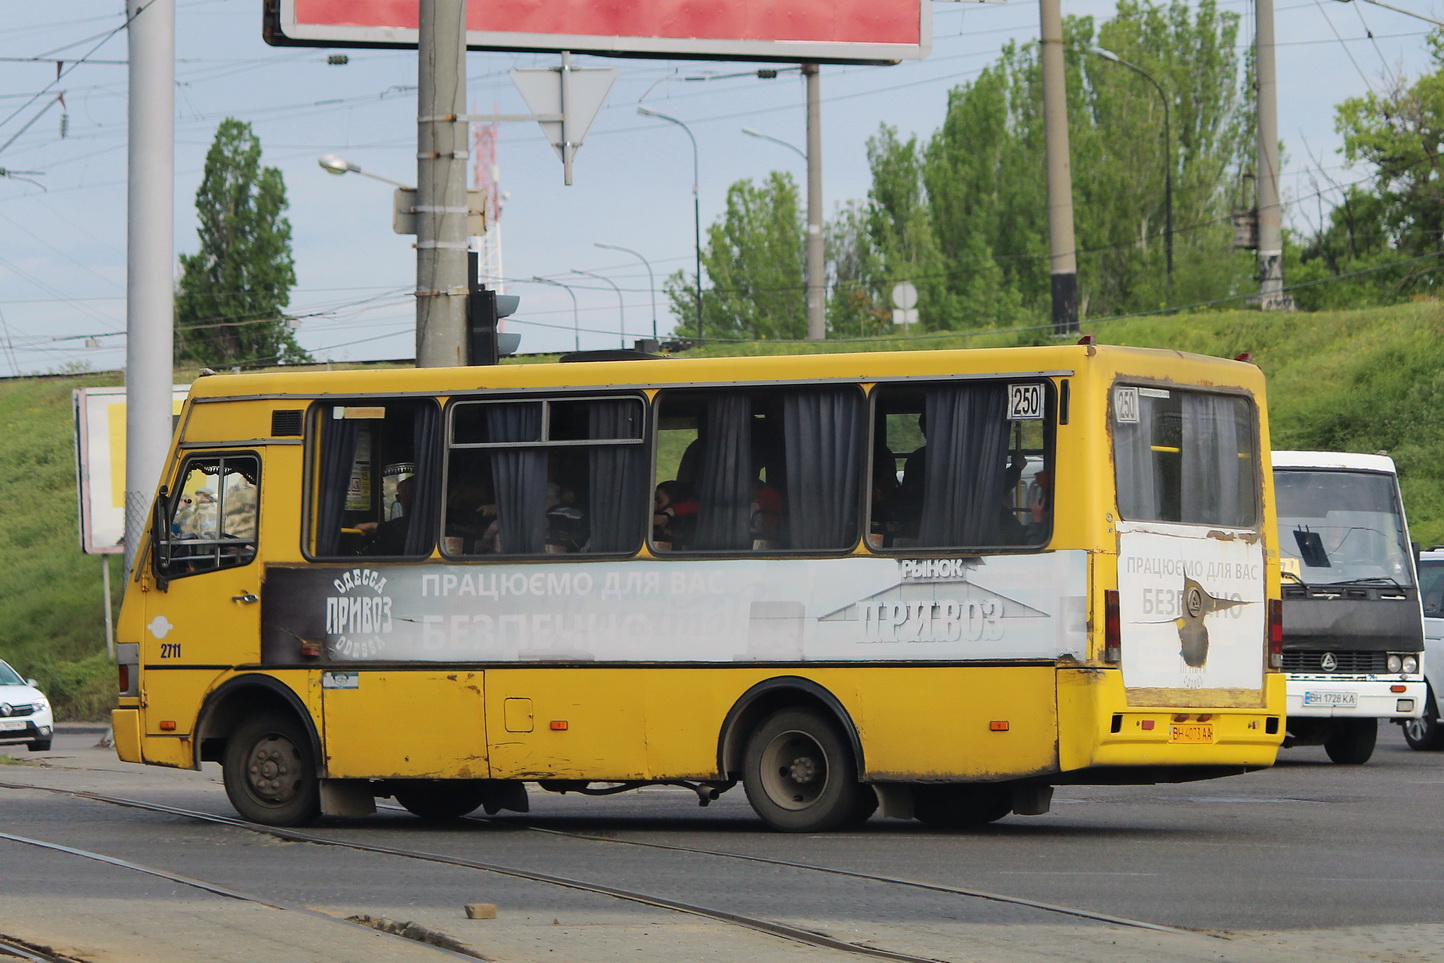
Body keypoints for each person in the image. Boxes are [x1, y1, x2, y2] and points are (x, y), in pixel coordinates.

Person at [358, 476, 412, 555]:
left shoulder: (399, 529)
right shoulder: (430, 524)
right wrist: (376, 527)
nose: (398, 501)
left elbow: (372, 555)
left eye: (399, 497)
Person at [652, 480, 698, 550]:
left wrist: (671, 511)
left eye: (659, 501)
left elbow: (698, 506)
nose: (656, 506)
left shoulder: (692, 521)